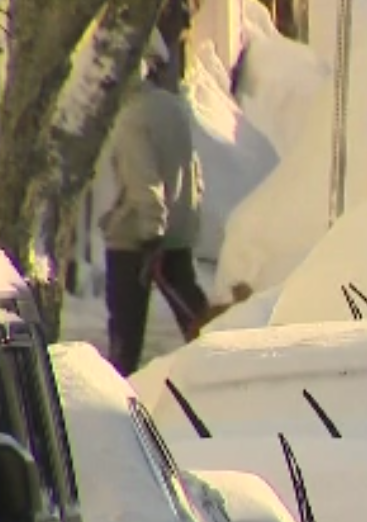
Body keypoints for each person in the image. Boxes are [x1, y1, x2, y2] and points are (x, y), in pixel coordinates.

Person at [98, 29, 210, 376]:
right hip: (177, 231)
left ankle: (121, 395)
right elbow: (193, 171)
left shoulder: (130, 116)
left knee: (126, 333)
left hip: (138, 238)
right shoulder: (171, 106)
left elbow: (142, 179)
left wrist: (151, 232)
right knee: (195, 317)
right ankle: (220, 363)